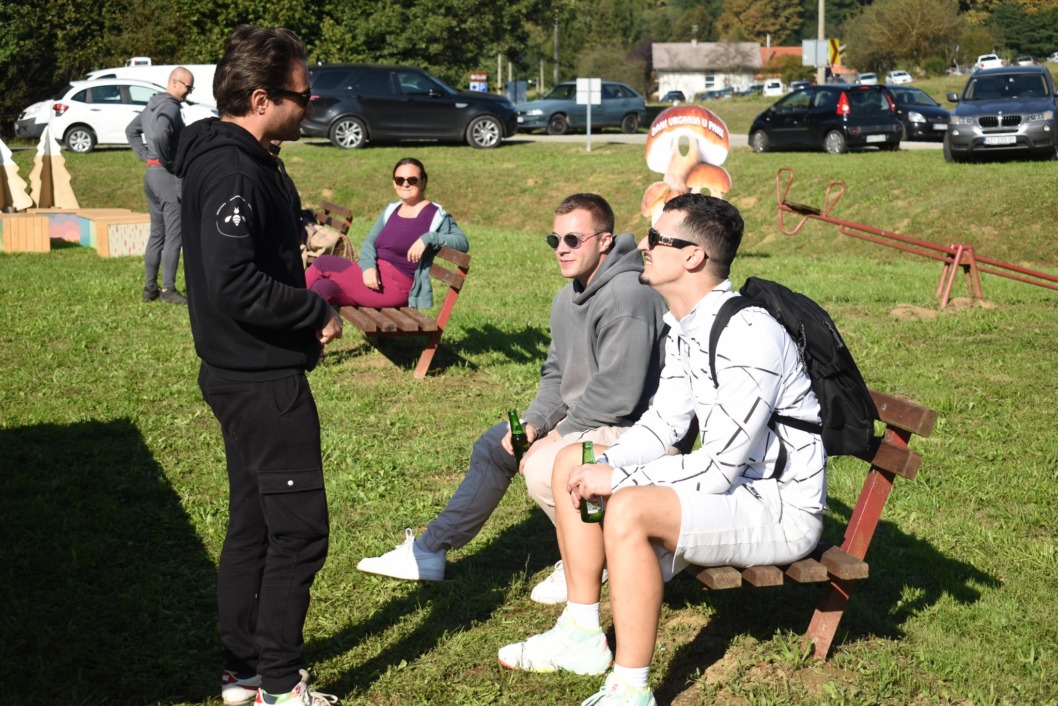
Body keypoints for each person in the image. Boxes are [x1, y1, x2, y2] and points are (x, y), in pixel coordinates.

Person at [498, 194, 827, 706]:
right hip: (735, 490)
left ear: (693, 256)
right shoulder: (685, 324)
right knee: (572, 459)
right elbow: (664, 422)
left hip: (778, 508)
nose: (644, 246)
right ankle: (581, 634)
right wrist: (605, 462)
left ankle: (631, 689)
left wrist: (620, 481)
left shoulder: (749, 335)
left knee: (629, 508)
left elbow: (720, 468)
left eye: (657, 238)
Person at [356, 193, 668, 603]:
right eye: (554, 240)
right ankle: (430, 549)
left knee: (543, 465)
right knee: (497, 445)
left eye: (573, 240)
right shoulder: (567, 297)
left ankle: (596, 558)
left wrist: (557, 437)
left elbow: (618, 395)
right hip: (590, 418)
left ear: (605, 241)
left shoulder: (629, 297)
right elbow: (556, 375)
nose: (561, 249)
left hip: (635, 427)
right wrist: (535, 423)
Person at [173, 25, 343, 706]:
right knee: (298, 532)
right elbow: (232, 282)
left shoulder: (241, 157)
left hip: (239, 374)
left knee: (254, 524)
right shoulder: (233, 170)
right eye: (304, 94)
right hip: (261, 382)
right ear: (262, 98)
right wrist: (312, 309)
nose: (312, 104)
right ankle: (280, 682)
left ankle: (243, 672)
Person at [304, 158, 467, 310]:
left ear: (423, 182)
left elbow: (462, 242)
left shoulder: (435, 215)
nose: (405, 184)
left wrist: (428, 238)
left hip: (395, 287)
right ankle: (307, 331)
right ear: (394, 183)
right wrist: (368, 267)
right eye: (400, 180)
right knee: (322, 288)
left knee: (323, 263)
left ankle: (290, 308)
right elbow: (370, 241)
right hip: (372, 277)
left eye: (412, 180)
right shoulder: (392, 209)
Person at [126, 66, 195, 304]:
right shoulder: (170, 107)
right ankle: (168, 290)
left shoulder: (152, 106)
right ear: (175, 82)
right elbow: (160, 135)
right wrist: (169, 162)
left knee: (157, 233)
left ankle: (150, 288)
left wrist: (147, 157)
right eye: (188, 87)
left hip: (151, 175)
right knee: (174, 234)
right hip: (166, 176)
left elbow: (131, 130)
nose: (189, 92)